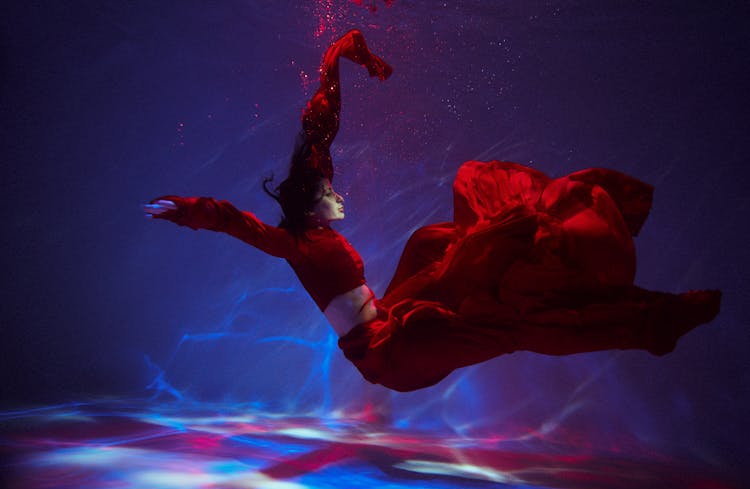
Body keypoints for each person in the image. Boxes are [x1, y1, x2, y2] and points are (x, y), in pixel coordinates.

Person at [144, 30, 721, 392]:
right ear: (310, 201)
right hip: (390, 356)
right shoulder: (296, 241)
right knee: (509, 322)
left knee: (441, 242)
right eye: (331, 190)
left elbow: (319, 132)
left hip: (393, 313)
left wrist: (344, 55)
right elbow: (237, 223)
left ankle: (599, 290)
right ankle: (651, 322)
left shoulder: (314, 212)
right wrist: (190, 209)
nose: (341, 195)